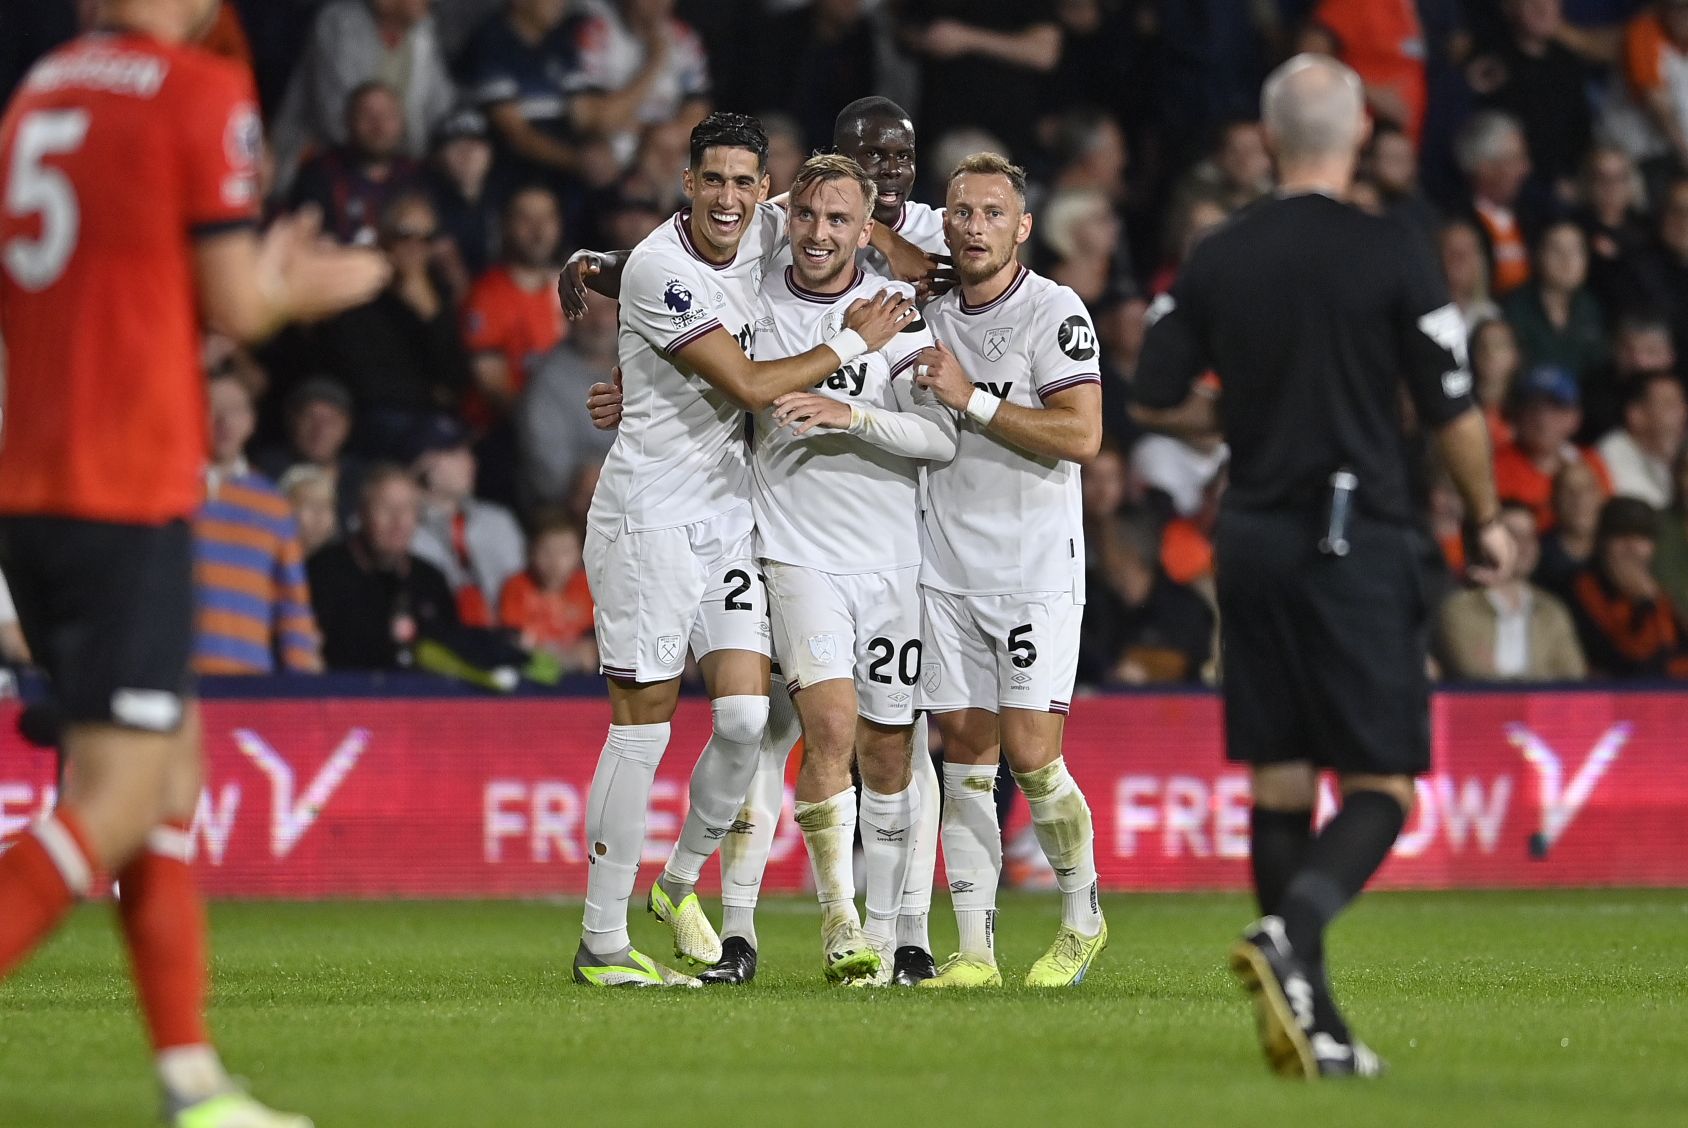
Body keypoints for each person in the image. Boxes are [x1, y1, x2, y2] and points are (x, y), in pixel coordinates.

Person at [0, 1, 387, 1123]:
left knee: (169, 778)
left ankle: (193, 1082)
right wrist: (288, 284)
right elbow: (234, 305)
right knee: (116, 800)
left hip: (41, 477)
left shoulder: (44, 91)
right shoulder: (195, 91)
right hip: (122, 482)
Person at [1134, 54, 1514, 1079]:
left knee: (1281, 781)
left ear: (1266, 137)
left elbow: (1153, 387)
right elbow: (1448, 405)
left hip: (1249, 539)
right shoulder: (1391, 248)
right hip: (1352, 537)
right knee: (1383, 781)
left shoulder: (1215, 253)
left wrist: (1248, 411)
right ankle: (1290, 933)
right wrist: (1484, 518)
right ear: (1352, 137)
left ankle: (1315, 1023)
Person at [580, 98, 953, 985]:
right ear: (687, 183)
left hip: (731, 521)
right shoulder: (665, 270)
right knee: (642, 728)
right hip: (649, 520)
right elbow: (748, 383)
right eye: (713, 180)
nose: (730, 198)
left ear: (764, 193)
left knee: (747, 719)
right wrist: (848, 342)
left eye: (746, 184)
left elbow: (880, 243)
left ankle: (676, 884)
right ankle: (601, 941)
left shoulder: (765, 232)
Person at [734, 155, 953, 987]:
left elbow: (939, 438)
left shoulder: (897, 317)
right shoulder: (752, 304)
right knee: (829, 730)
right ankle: (840, 925)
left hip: (893, 561)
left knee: (892, 753)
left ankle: (904, 932)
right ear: (788, 218)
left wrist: (851, 414)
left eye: (839, 222)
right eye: (808, 217)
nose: (819, 234)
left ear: (867, 233)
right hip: (798, 550)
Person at [907, 152, 1109, 990]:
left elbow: (1082, 436)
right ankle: (976, 951)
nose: (976, 226)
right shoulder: (925, 312)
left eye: (994, 213)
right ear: (946, 224)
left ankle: (1081, 914)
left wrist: (973, 400)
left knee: (1033, 755)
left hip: (1032, 570)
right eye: (962, 213)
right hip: (945, 566)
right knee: (965, 752)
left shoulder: (1054, 312)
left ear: (1023, 227)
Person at [195, 374, 323, 675]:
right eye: (212, 407)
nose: (224, 420)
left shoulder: (273, 504)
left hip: (249, 683)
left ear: (251, 421)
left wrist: (302, 681)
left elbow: (293, 604)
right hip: (176, 682)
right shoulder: (167, 495)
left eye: (235, 409)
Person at [1436, 502, 1587, 681]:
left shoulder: (1552, 610)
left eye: (1531, 535)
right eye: (1513, 534)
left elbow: (1574, 679)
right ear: (1488, 540)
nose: (1525, 545)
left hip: (1545, 709)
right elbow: (1474, 676)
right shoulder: (1458, 608)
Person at [407, 415, 526, 628]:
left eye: (467, 452)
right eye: (454, 453)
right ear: (423, 464)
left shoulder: (498, 522)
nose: (470, 461)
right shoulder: (404, 529)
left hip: (507, 638)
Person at [462, 184, 566, 424]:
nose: (538, 230)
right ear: (506, 225)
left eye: (547, 217)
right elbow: (494, 387)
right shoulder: (487, 293)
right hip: (503, 428)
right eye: (526, 219)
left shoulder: (573, 286)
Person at [286, 80, 421, 246]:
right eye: (367, 115)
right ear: (348, 120)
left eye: (388, 115)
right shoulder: (320, 173)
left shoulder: (419, 177)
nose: (379, 126)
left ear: (402, 121)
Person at [1567, 495, 1688, 676]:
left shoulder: (1656, 587)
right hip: (1616, 697)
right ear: (1601, 541)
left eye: (1641, 537)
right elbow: (1634, 664)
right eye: (1621, 536)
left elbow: (1677, 653)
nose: (1632, 546)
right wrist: (1645, 604)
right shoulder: (1583, 587)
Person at [497, 512, 597, 671]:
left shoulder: (590, 587)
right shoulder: (516, 586)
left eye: (564, 551)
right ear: (530, 552)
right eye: (546, 551)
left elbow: (594, 646)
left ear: (580, 553)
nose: (555, 561)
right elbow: (515, 641)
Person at [1596, 370, 1688, 508]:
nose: (1682, 412)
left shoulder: (1674, 455)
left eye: (1681, 403)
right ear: (1636, 415)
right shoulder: (1611, 454)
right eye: (1669, 404)